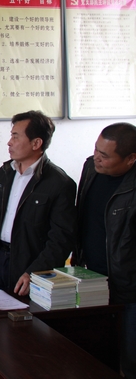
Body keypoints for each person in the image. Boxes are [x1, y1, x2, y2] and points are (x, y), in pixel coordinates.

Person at [0, 110, 77, 296]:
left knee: (22, 313)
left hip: (28, 266)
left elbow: (61, 239)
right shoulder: (4, 173)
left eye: (15, 136)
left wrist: (35, 272)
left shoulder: (59, 183)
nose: (9, 142)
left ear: (36, 143)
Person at [73, 123, 136, 379]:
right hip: (92, 280)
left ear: (131, 159)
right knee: (95, 357)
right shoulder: (91, 168)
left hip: (129, 288)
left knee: (130, 362)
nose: (96, 157)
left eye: (105, 155)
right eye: (96, 149)